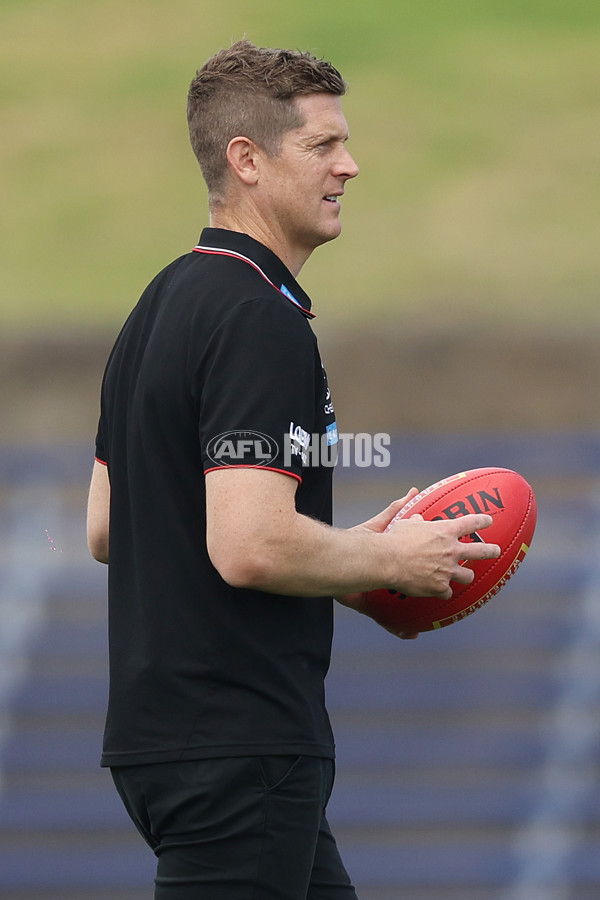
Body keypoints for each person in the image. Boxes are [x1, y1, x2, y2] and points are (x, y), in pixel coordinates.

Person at [86, 40, 499, 900]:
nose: (351, 166)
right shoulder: (257, 318)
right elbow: (247, 544)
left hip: (170, 741)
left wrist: (342, 557)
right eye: (322, 146)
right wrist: (392, 561)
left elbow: (105, 526)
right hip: (239, 744)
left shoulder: (158, 304)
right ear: (248, 160)